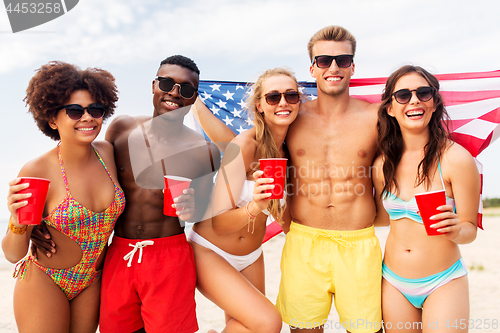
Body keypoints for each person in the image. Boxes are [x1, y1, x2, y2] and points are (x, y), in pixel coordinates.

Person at [98, 55, 221, 333]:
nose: (175, 93)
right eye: (167, 83)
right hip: (120, 252)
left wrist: (191, 209)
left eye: (186, 89)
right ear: (154, 85)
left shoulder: (206, 152)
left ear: (193, 98)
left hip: (169, 256)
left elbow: (201, 211)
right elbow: (97, 182)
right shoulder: (121, 129)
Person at [2, 61, 123, 333]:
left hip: (91, 280)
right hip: (45, 279)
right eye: (74, 111)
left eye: (95, 109)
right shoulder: (37, 170)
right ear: (52, 119)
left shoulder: (109, 154)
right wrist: (16, 218)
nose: (87, 117)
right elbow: (13, 253)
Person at [277, 26, 383, 332]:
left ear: (352, 66)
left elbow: (417, 147)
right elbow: (252, 146)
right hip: (304, 243)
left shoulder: (377, 117)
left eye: (342, 60)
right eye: (323, 60)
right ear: (312, 68)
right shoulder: (291, 117)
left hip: (359, 244)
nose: (333, 67)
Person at [188, 67, 299, 332]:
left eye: (291, 96)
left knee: (246, 326)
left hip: (251, 255)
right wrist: (255, 206)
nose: (283, 103)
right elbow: (218, 223)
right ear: (260, 105)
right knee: (268, 322)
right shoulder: (244, 146)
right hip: (210, 250)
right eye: (273, 97)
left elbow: (286, 216)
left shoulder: (292, 149)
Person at [372, 65, 480, 332]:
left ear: (434, 104)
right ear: (390, 108)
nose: (415, 100)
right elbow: (382, 220)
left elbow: (469, 230)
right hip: (393, 281)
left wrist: (457, 229)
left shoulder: (457, 159)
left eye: (423, 93)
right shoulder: (382, 165)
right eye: (403, 95)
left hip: (443, 280)